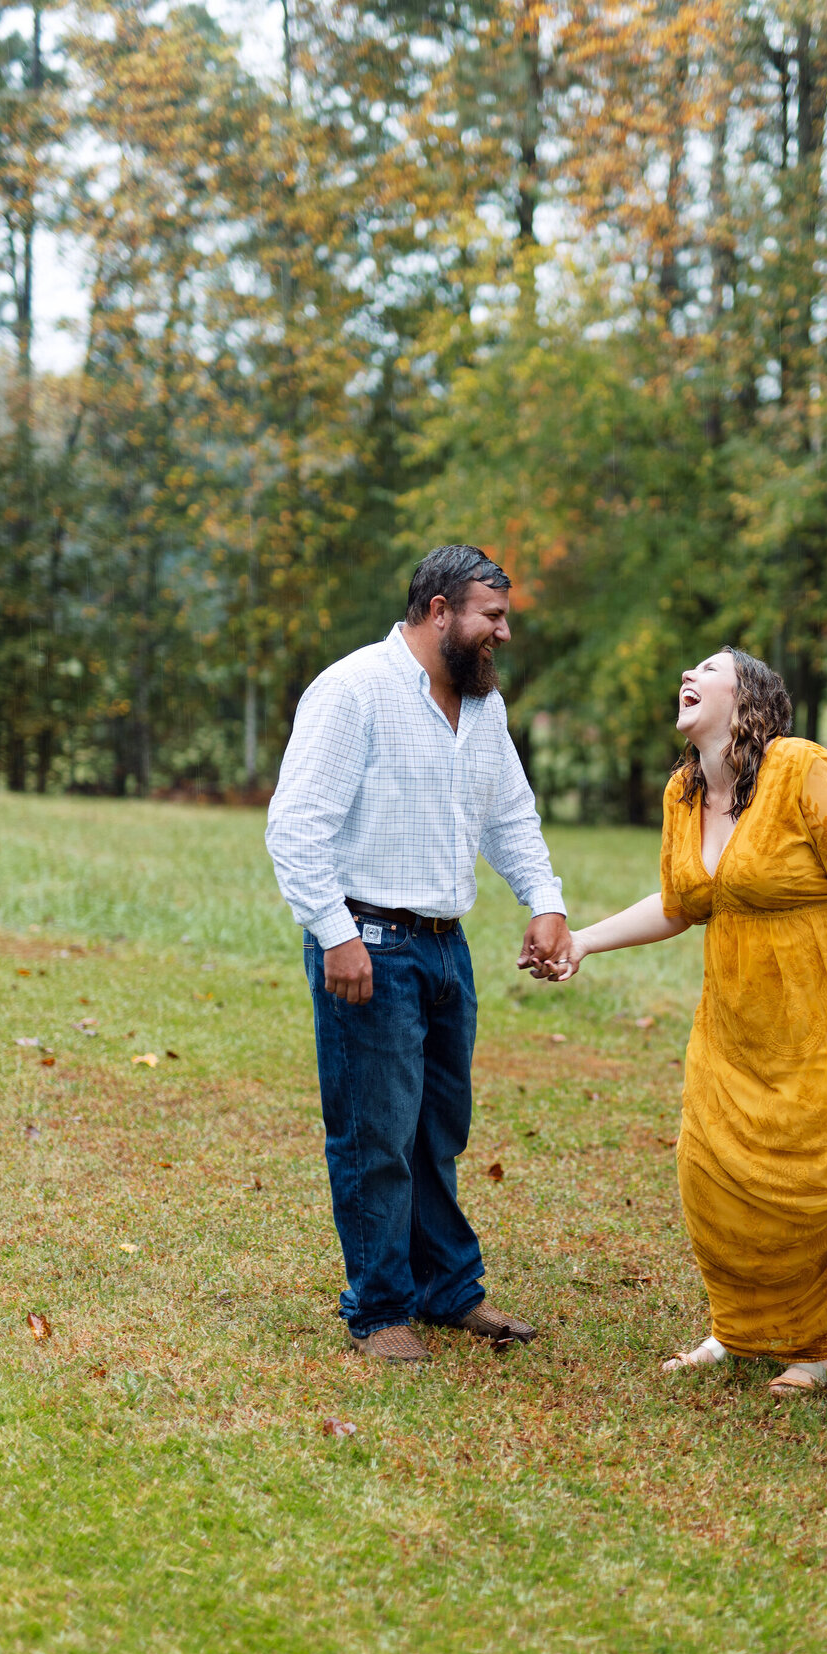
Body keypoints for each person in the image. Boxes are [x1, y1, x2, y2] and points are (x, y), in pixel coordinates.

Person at [545, 647, 827, 1396]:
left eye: (708, 667)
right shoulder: (684, 791)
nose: (688, 674)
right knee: (715, 1175)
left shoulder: (804, 770)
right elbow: (680, 903)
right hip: (736, 1027)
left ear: (750, 700)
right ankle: (732, 1329)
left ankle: (815, 1346)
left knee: (812, 1180)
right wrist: (581, 942)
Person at [265, 545, 572, 1364]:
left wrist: (545, 901)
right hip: (367, 945)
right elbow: (296, 825)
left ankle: (447, 1293)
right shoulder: (353, 690)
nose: (501, 634)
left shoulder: (482, 708)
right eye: (491, 617)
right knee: (376, 1134)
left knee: (438, 1131)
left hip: (446, 950)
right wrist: (334, 932)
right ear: (440, 611)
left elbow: (510, 814)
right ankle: (381, 1310)